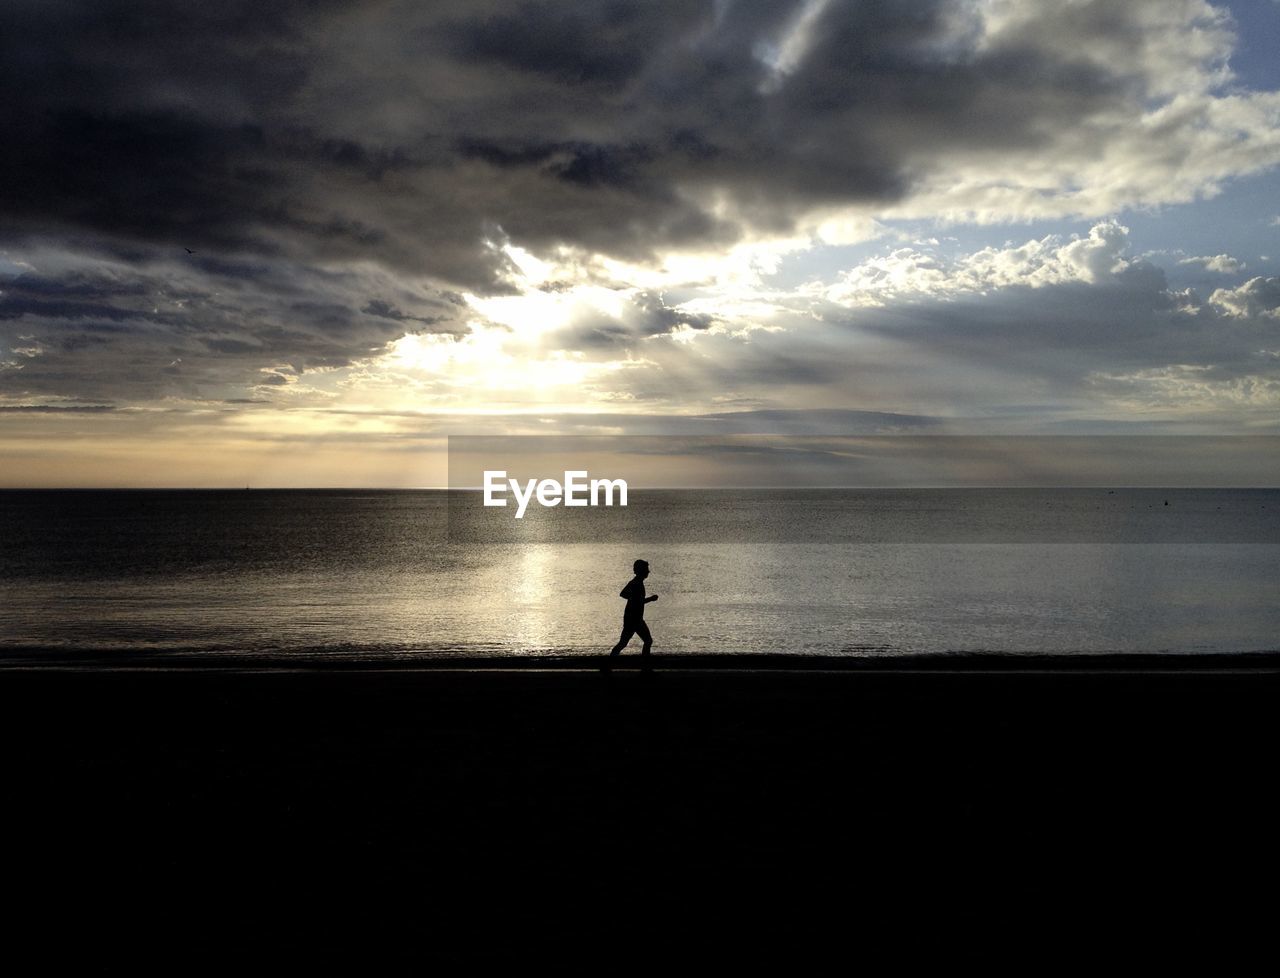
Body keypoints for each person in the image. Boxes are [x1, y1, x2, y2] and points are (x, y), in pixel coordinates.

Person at [609, 558, 657, 662]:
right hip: (633, 619)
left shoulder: (638, 582)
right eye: (646, 569)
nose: (648, 571)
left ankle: (608, 663)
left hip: (635, 618)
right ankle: (645, 666)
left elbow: (638, 601)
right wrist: (635, 598)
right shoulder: (635, 583)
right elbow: (623, 594)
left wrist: (650, 599)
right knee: (646, 641)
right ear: (641, 571)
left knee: (626, 642)